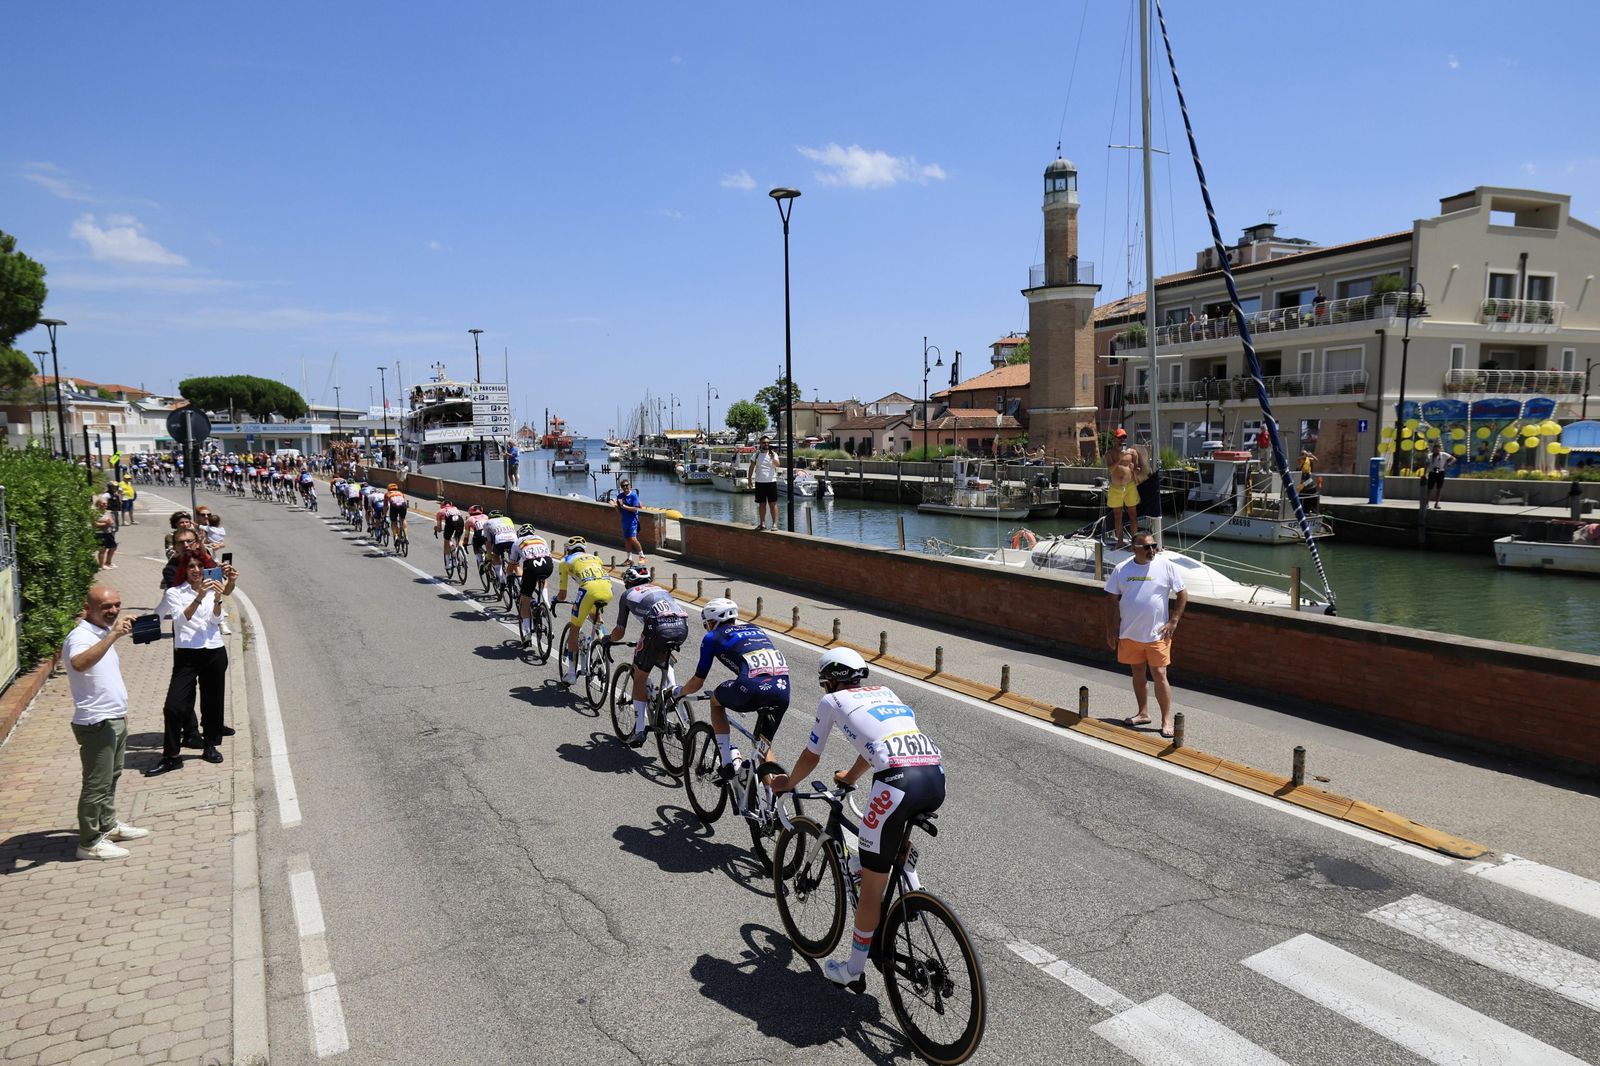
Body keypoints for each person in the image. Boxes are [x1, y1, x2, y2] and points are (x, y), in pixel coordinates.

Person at [766, 648, 944, 991]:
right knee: (884, 836)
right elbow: (879, 743)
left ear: (830, 680)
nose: (824, 689)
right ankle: (912, 884)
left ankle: (853, 970)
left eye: (824, 683)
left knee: (871, 887)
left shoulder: (832, 702)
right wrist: (849, 774)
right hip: (934, 775)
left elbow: (811, 755)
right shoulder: (885, 692)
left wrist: (788, 784)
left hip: (897, 782)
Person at [64, 586, 149, 860]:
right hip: (96, 722)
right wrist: (113, 635)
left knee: (111, 778)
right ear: (88, 608)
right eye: (106, 607)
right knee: (96, 784)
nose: (113, 611)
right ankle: (88, 843)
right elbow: (79, 663)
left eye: (117, 605)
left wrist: (120, 711)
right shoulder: (79, 637)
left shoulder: (99, 633)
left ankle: (108, 825)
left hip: (113, 717)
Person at [673, 598, 790, 782]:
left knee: (715, 701)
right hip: (782, 690)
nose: (708, 628)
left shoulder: (712, 637)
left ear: (712, 622)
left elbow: (697, 682)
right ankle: (776, 802)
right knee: (762, 747)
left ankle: (726, 763)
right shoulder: (756, 629)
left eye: (707, 624)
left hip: (751, 689)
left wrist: (679, 693)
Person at [149, 552, 239, 774]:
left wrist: (217, 598)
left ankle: (210, 746)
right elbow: (180, 619)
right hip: (188, 654)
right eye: (191, 566)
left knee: (212, 703)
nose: (197, 570)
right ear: (184, 570)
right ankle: (171, 755)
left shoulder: (212, 590)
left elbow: (216, 620)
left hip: (214, 651)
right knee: (173, 706)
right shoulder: (174, 592)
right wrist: (199, 596)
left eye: (200, 566)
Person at [1105, 532, 1187, 740]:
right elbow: (1112, 601)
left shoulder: (1166, 566)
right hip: (1130, 633)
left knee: (1160, 673)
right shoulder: (1121, 569)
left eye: (1154, 546)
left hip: (1157, 634)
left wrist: (1174, 620)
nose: (1152, 550)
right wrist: (1111, 629)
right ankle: (1143, 713)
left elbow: (1182, 593)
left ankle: (1166, 720)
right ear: (1134, 549)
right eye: (1147, 547)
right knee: (1137, 673)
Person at [604, 565, 689, 746]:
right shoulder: (660, 588)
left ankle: (640, 729)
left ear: (628, 582)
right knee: (663, 654)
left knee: (640, 675)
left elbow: (620, 631)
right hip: (682, 626)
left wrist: (607, 639)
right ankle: (671, 691)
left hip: (657, 628)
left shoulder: (627, 594)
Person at [555, 537, 613, 684]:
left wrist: (555, 600)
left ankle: (571, 673)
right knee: (595, 617)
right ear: (584, 550)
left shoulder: (565, 561)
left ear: (568, 549)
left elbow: (563, 595)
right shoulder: (596, 558)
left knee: (574, 628)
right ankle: (602, 643)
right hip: (607, 589)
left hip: (588, 590)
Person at [511, 524, 553, 646]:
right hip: (547, 565)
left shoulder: (517, 542)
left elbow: (513, 564)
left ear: (520, 534)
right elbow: (547, 555)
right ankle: (545, 603)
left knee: (525, 599)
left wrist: (508, 576)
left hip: (530, 566)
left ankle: (527, 633)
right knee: (542, 579)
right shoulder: (541, 538)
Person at [1104, 428, 1144, 549]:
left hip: (1130, 486)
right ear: (1115, 439)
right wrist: (1120, 458)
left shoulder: (1133, 452)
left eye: (1124, 437)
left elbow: (1138, 470)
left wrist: (1134, 469)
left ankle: (1135, 543)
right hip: (1115, 487)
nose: (1122, 440)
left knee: (1133, 515)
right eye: (1120, 438)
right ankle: (1119, 542)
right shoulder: (1109, 453)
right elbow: (1110, 469)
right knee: (1117, 516)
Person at [747, 435, 780, 531]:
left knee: (773, 504)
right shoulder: (756, 455)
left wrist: (773, 458)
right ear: (760, 444)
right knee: (761, 504)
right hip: (760, 482)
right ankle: (762, 524)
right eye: (764, 442)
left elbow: (778, 464)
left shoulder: (773, 454)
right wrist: (749, 479)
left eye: (767, 443)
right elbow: (751, 467)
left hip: (771, 482)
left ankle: (774, 524)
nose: (766, 444)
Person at [615, 477, 644, 563]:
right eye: (623, 486)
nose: (625, 487)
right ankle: (629, 558)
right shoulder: (620, 496)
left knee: (633, 538)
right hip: (624, 521)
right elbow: (619, 511)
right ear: (621, 487)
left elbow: (635, 509)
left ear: (630, 486)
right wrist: (616, 507)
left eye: (627, 485)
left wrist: (624, 506)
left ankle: (642, 556)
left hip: (632, 521)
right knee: (627, 539)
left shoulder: (633, 495)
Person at [1424, 440, 1456, 509]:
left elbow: (1453, 459)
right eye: (1436, 449)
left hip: (1440, 472)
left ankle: (1437, 503)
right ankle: (1427, 504)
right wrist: (1424, 474)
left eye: (1438, 449)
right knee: (1429, 489)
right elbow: (1426, 465)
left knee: (1439, 489)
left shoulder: (1444, 454)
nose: (1437, 450)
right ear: (1433, 449)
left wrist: (1448, 464)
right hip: (1432, 472)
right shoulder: (1430, 456)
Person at [434, 499, 465, 568]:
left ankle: (448, 564)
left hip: (450, 522)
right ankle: (462, 552)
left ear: (442, 506)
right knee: (458, 538)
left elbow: (439, 529)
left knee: (446, 541)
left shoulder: (440, 512)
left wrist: (435, 528)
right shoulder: (455, 508)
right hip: (460, 521)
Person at [94, 499, 118, 570]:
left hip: (108, 532)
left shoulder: (108, 512)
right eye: (103, 503)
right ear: (98, 504)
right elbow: (95, 524)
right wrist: (105, 523)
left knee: (113, 547)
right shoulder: (95, 513)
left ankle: (108, 562)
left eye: (106, 504)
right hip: (100, 533)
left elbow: (111, 522)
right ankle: (101, 565)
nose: (105, 505)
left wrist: (106, 523)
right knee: (102, 549)